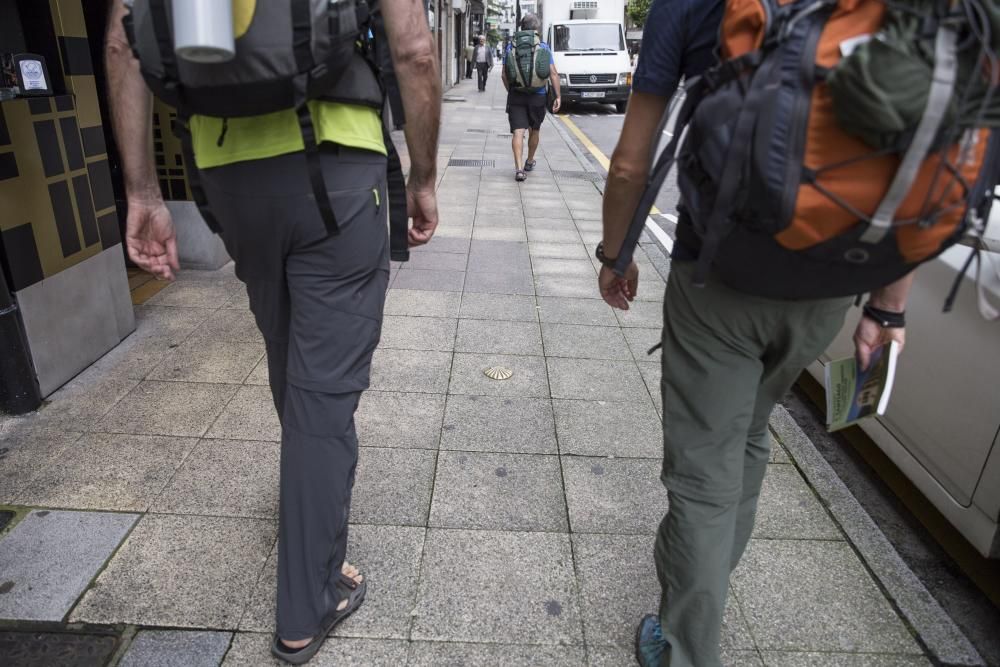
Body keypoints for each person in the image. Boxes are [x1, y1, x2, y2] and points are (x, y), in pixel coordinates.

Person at [104, 0, 441, 663]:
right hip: (336, 161)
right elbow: (415, 49)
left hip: (226, 172)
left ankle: (315, 525)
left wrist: (142, 191)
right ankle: (305, 605)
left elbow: (123, 45)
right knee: (324, 388)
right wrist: (424, 176)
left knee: (288, 353)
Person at [597, 0, 915, 665]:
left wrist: (615, 253)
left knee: (702, 476)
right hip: (829, 283)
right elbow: (919, 158)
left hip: (718, 278)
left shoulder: (684, 7)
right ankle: (707, 578)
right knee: (748, 432)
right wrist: (888, 308)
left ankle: (684, 643)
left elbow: (631, 162)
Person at [501, 13, 560, 181]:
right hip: (538, 95)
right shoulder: (543, 47)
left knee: (518, 132)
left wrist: (510, 90)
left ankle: (519, 170)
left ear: (521, 28)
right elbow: (553, 74)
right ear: (536, 29)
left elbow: (504, 75)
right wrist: (558, 96)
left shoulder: (510, 47)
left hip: (516, 95)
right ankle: (529, 160)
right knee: (535, 129)